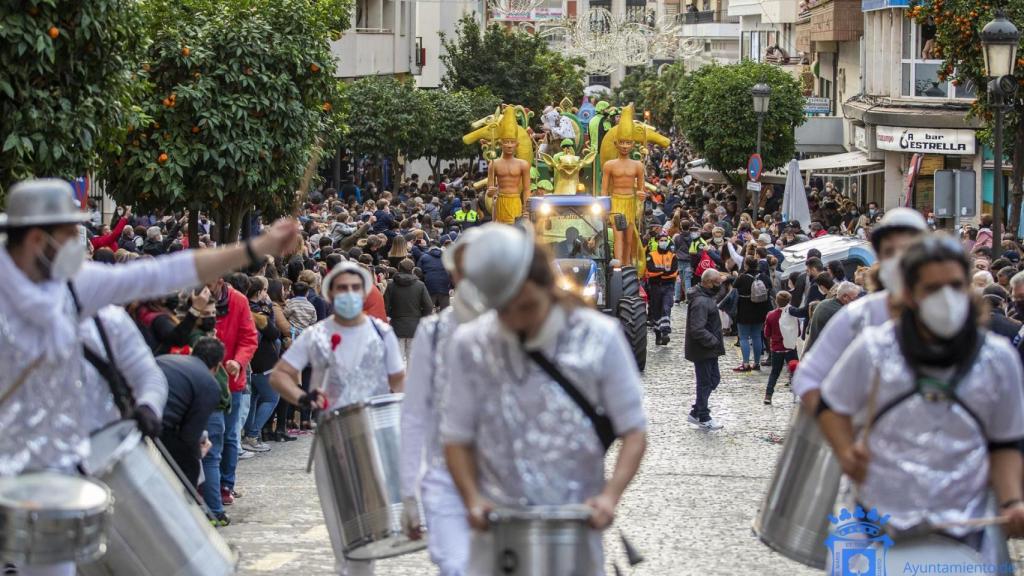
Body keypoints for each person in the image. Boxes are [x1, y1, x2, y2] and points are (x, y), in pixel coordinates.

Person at [0, 179, 298, 576]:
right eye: (71, 233)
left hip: (71, 479)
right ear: (38, 239)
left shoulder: (76, 289)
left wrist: (255, 248)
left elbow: (161, 272)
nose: (81, 241)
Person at [443, 224, 648, 574]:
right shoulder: (470, 343)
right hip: (499, 532)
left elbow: (634, 430)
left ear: (546, 286)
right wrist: (472, 499)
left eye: (526, 306)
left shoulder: (600, 336)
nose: (516, 320)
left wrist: (610, 496)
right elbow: (455, 436)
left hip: (574, 529)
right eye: (504, 310)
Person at [818, 236, 1024, 563]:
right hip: (876, 527)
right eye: (932, 288)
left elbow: (1006, 443)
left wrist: (1012, 501)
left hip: (965, 531)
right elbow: (830, 405)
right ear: (909, 294)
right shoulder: (873, 349)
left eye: (955, 285)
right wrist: (845, 451)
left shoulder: (999, 359)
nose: (946, 296)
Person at [270, 262, 405, 576]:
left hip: (376, 441)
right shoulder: (317, 335)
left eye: (355, 288)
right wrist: (303, 398)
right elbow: (280, 376)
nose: (349, 294)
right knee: (345, 538)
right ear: (330, 292)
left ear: (365, 291)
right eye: (342, 288)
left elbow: (399, 380)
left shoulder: (381, 333)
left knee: (371, 536)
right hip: (333, 442)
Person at [399, 229, 485, 575]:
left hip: (507, 483)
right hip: (444, 479)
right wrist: (408, 493)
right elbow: (414, 414)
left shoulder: (522, 330)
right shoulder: (432, 333)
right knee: (456, 566)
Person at [793, 208, 930, 409]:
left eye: (909, 249)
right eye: (890, 251)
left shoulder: (945, 313)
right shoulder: (856, 314)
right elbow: (808, 375)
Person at [158, 337, 226, 488]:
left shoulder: (167, 360)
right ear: (217, 366)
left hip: (134, 414)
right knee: (190, 470)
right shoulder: (209, 384)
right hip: (159, 425)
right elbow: (190, 435)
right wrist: (198, 452)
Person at [602, 105, 646, 268]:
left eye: (628, 142)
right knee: (618, 235)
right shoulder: (609, 165)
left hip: (630, 202)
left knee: (629, 237)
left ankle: (627, 266)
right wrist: (605, 208)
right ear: (616, 143)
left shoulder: (638, 165)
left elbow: (641, 189)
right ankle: (617, 266)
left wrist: (642, 195)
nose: (625, 146)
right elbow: (604, 190)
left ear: (633, 144)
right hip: (616, 202)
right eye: (622, 142)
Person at [242, 277, 281, 452]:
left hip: (254, 362)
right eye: (265, 290)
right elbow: (273, 332)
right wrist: (270, 308)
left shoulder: (245, 308)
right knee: (272, 398)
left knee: (254, 397)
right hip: (263, 360)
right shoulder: (259, 312)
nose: (267, 294)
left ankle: (250, 434)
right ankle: (252, 434)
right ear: (258, 292)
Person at [685, 269, 726, 430]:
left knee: (713, 379)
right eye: (717, 283)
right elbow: (697, 329)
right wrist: (713, 341)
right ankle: (703, 416)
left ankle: (696, 412)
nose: (719, 286)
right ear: (708, 283)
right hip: (703, 349)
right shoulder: (701, 302)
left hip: (707, 348)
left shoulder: (705, 297)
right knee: (705, 382)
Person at [486, 107, 530, 225]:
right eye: (506, 142)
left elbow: (526, 189)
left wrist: (526, 209)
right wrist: (491, 191)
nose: (509, 145)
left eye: (512, 142)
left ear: (517, 144)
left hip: (515, 201)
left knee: (516, 230)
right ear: (501, 144)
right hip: (501, 201)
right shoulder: (494, 163)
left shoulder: (523, 164)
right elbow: (489, 191)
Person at [385, 258, 434, 358]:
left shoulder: (391, 285)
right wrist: (421, 317)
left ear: (399, 268)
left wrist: (391, 315)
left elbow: (385, 305)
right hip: (415, 325)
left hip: (396, 324)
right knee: (412, 360)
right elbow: (428, 306)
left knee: (397, 359)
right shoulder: (420, 285)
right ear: (412, 269)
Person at [804, 281, 860, 351]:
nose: (857, 301)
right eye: (855, 298)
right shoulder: (841, 313)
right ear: (845, 297)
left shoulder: (823, 303)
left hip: (814, 352)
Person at [762, 291, 797, 405]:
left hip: (777, 348)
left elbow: (767, 333)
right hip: (791, 347)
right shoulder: (792, 314)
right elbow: (798, 331)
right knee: (795, 372)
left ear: (776, 301)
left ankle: (768, 395)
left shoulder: (771, 315)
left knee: (775, 373)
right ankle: (798, 395)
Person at [645, 231, 678, 346]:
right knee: (656, 310)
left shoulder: (672, 255)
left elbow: (674, 272)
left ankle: (665, 333)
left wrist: (659, 272)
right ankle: (658, 334)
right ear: (657, 241)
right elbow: (650, 270)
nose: (663, 242)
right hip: (655, 286)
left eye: (665, 240)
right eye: (661, 240)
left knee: (666, 307)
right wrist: (664, 272)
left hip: (668, 286)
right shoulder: (651, 255)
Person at [417, 242, 451, 310]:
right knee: (445, 311)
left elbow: (419, 271)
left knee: (428, 310)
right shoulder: (447, 257)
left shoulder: (424, 257)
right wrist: (452, 286)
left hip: (430, 284)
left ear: (429, 249)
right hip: (444, 285)